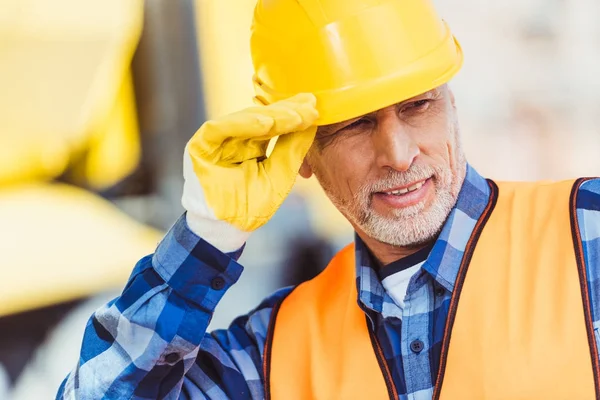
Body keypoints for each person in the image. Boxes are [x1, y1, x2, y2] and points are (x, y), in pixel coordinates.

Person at [58, 0, 600, 399]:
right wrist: (206, 237)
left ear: (450, 101)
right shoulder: (274, 354)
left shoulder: (587, 239)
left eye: (417, 106)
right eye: (357, 124)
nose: (399, 152)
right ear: (303, 154)